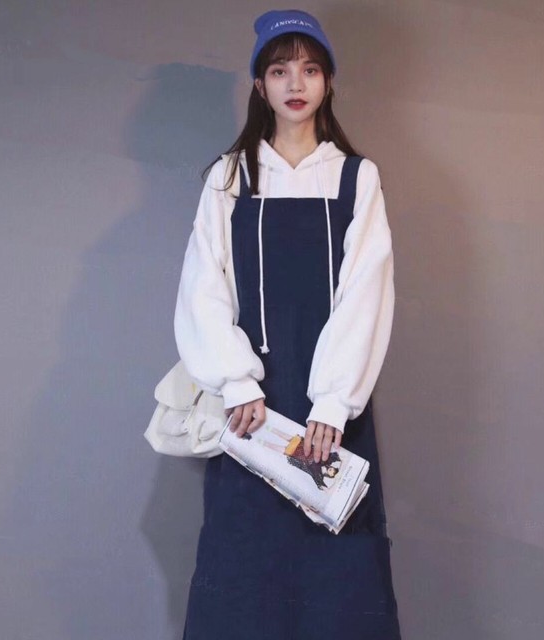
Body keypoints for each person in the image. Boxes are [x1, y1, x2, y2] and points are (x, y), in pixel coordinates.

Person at [174, 9, 402, 639]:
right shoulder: (230, 176)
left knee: (337, 569)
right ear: (259, 84)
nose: (295, 83)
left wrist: (333, 401)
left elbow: (367, 291)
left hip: (332, 408)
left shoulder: (356, 177)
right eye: (279, 71)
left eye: (309, 69)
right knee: (244, 563)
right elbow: (203, 286)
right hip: (251, 407)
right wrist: (236, 382)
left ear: (328, 81)